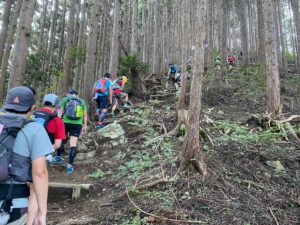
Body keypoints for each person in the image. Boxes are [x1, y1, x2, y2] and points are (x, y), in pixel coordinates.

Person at [0, 86, 53, 225]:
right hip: (13, 200)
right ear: (33, 107)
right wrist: (42, 211)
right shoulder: (34, 129)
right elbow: (40, 172)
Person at [57, 90, 87, 174]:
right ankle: (69, 165)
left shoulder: (65, 99)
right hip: (77, 124)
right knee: (73, 145)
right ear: (77, 95)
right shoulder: (82, 101)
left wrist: (58, 122)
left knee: (60, 139)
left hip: (65, 122)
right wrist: (84, 126)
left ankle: (58, 157)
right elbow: (85, 114)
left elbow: (61, 111)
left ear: (69, 94)